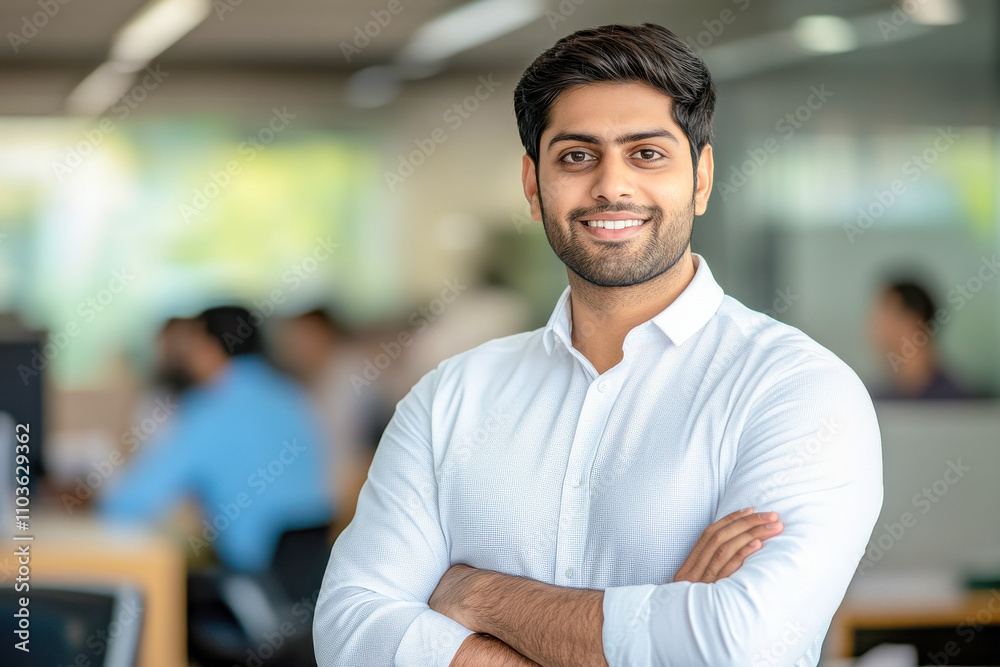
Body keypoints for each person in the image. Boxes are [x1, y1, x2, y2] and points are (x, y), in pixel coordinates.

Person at [313, 24, 882, 667]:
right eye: (577, 156)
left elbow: (738, 645)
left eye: (647, 154)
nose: (612, 186)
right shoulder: (451, 398)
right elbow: (348, 629)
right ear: (534, 185)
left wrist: (478, 595)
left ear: (701, 176)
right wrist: (656, 626)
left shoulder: (796, 390)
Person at [98, 306, 334, 573]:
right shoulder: (294, 396)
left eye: (194, 344)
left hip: (250, 578)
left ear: (210, 349)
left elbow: (129, 502)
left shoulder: (208, 410)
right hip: (311, 572)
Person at [868, 279, 972, 400]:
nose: (875, 328)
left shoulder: (956, 401)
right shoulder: (882, 397)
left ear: (914, 320)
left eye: (884, 316)